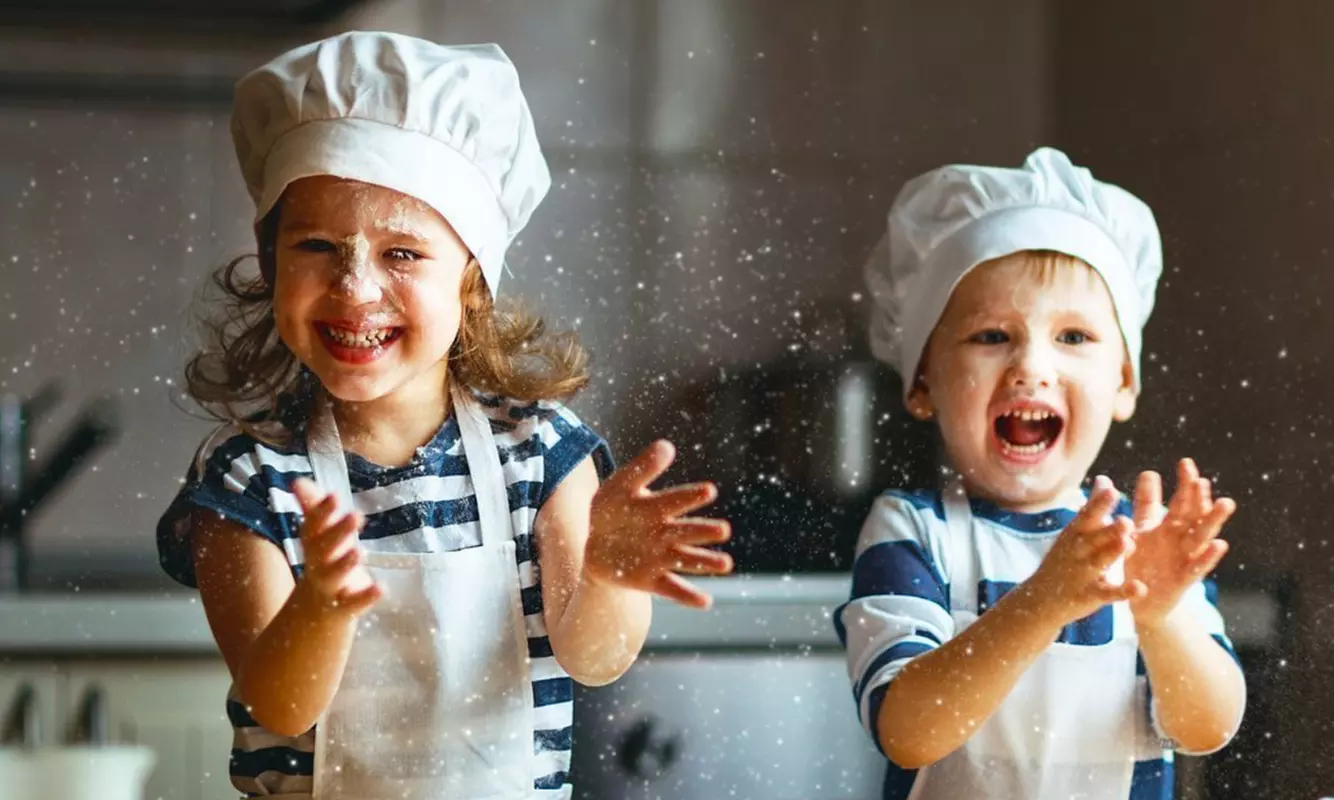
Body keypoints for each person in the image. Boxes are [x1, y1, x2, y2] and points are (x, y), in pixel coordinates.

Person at [155, 31, 732, 799]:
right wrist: (323, 607)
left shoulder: (542, 452)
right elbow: (278, 702)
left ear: (472, 282)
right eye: (319, 246)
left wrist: (606, 575)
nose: (355, 287)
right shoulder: (249, 478)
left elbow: (593, 658)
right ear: (270, 264)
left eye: (403, 254)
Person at [837, 147, 1246, 799]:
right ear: (922, 383)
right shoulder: (914, 530)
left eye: (1075, 338)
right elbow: (907, 731)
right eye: (991, 335)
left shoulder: (1144, 546)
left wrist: (1163, 617)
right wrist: (1044, 601)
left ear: (1123, 382)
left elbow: (1208, 729)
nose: (1032, 365)